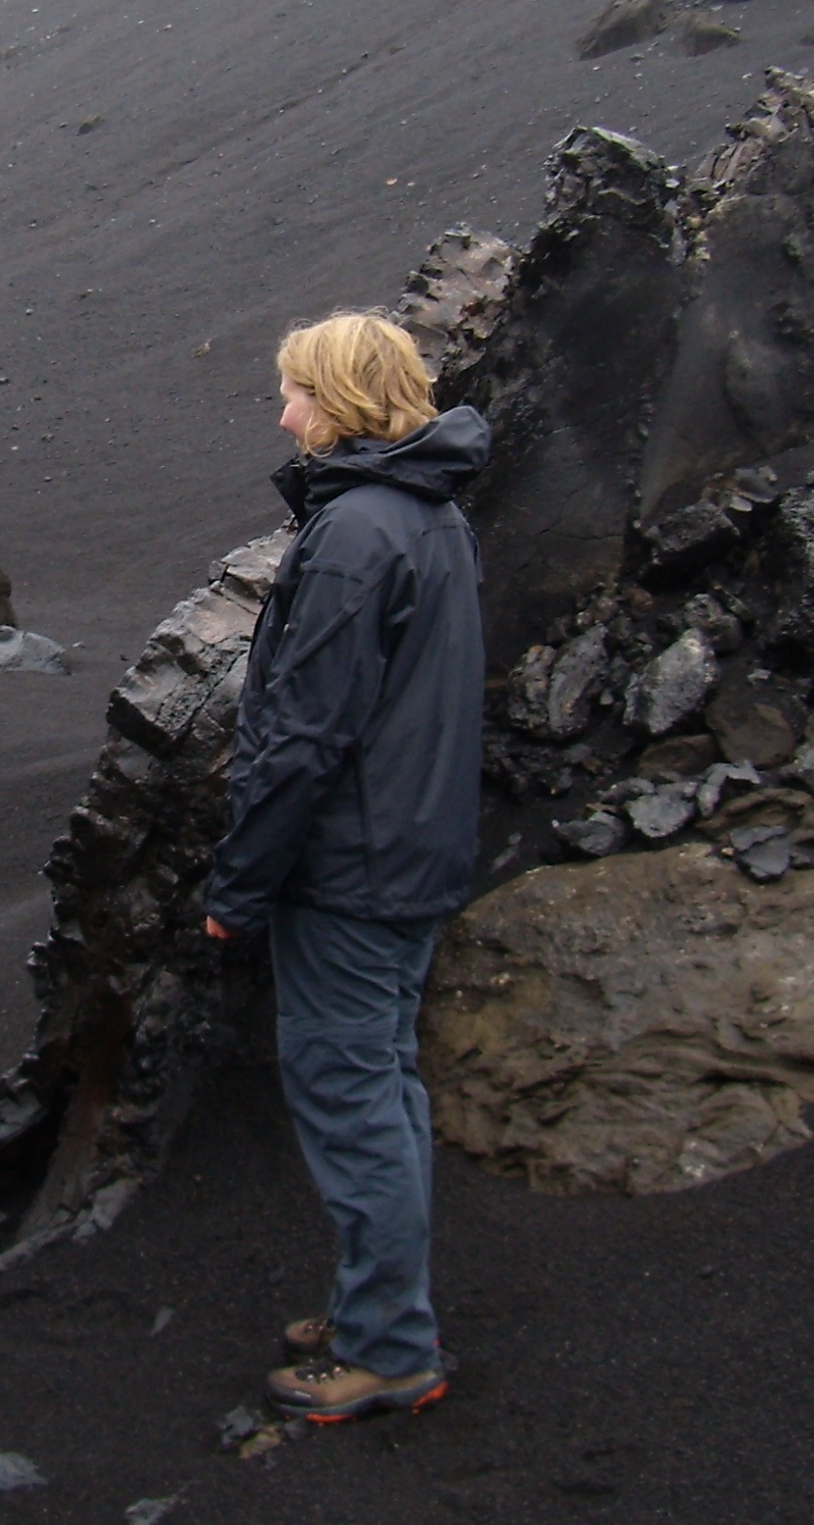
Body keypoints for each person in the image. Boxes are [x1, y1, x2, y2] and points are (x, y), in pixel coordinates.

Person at [202, 312, 489, 1424]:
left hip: (351, 873)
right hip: (413, 856)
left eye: (296, 394)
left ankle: (387, 1347)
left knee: (350, 1093)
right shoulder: (432, 515)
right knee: (385, 1084)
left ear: (345, 401)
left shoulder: (358, 532)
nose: (283, 415)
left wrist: (238, 885)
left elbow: (300, 737)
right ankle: (378, 1303)